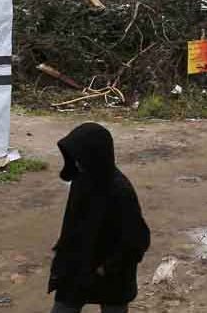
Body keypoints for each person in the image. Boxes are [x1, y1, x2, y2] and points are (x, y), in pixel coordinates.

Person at [49, 123, 150, 313]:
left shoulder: (121, 191)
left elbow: (138, 239)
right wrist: (62, 254)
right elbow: (72, 223)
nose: (76, 162)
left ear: (95, 155)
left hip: (112, 272)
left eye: (80, 157)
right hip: (79, 263)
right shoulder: (82, 179)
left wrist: (107, 267)